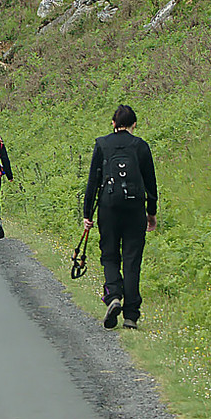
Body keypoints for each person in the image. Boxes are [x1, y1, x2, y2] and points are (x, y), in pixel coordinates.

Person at [82, 105, 158, 330]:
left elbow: (93, 182)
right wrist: (151, 213)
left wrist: (87, 214)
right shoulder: (141, 146)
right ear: (134, 124)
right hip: (135, 209)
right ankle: (131, 315)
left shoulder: (102, 144)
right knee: (132, 260)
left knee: (109, 254)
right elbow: (151, 183)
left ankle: (114, 295)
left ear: (113, 124)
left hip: (108, 207)